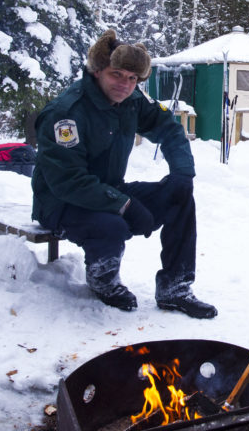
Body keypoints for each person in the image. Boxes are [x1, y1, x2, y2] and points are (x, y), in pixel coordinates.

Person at [31, 30, 216, 319]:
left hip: (108, 190)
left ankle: (175, 287)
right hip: (61, 203)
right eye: (117, 74)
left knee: (180, 196)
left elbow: (167, 127)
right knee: (112, 225)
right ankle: (104, 280)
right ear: (97, 71)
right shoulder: (66, 113)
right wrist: (125, 205)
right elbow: (68, 182)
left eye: (133, 79)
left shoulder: (130, 101)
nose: (125, 84)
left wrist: (182, 172)